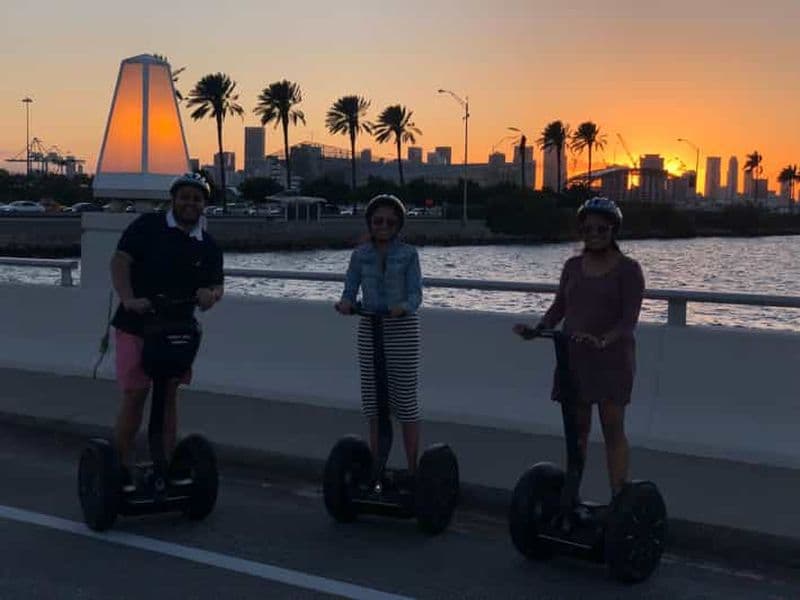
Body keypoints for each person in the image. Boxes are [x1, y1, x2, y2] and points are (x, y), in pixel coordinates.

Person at [513, 197, 645, 498]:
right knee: (577, 432)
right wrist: (538, 330)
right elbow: (559, 307)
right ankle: (571, 496)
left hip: (611, 360)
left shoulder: (629, 269)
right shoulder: (573, 266)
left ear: (613, 230)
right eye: (587, 229)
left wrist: (603, 340)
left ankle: (618, 498)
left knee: (612, 429)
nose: (594, 233)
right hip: (574, 357)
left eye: (601, 228)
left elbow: (628, 321)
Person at [110, 172, 224, 481]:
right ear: (173, 199)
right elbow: (120, 262)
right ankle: (119, 466)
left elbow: (216, 286)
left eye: (197, 199)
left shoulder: (207, 244)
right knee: (136, 393)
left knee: (169, 393)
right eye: (185, 197)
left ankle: (167, 463)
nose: (190, 203)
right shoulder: (147, 227)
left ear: (204, 205)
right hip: (137, 324)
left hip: (178, 328)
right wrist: (129, 298)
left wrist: (209, 295)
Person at [335, 194, 423, 473]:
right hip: (370, 327)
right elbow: (349, 289)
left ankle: (413, 469)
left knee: (405, 402)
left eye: (390, 221)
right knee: (374, 404)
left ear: (398, 225)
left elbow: (416, 294)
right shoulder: (360, 255)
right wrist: (346, 303)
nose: (383, 225)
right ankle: (376, 467)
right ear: (370, 223)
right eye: (378, 220)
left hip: (402, 330)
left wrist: (403, 308)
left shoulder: (409, 255)